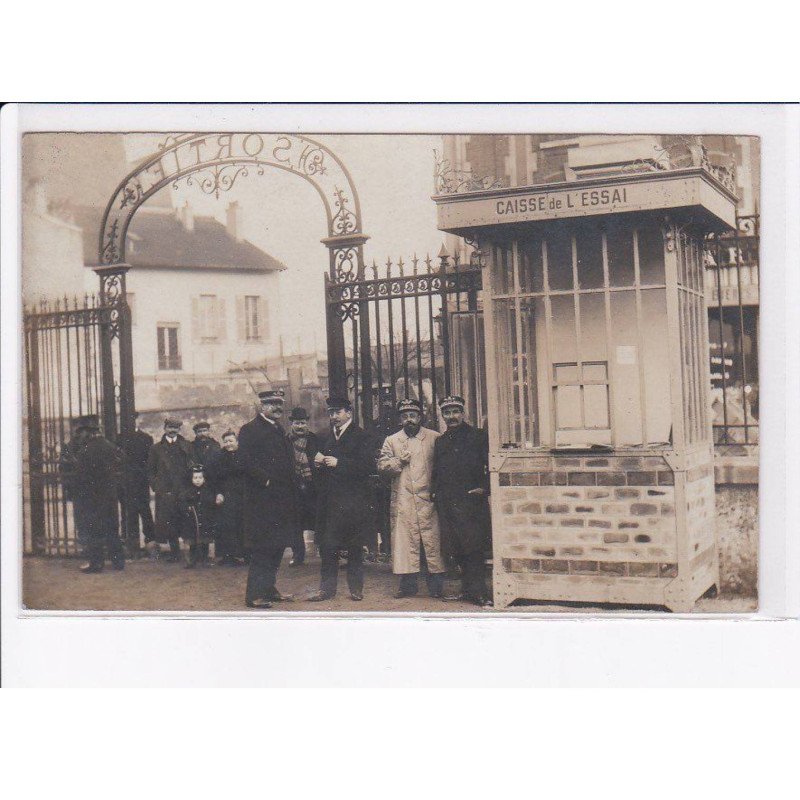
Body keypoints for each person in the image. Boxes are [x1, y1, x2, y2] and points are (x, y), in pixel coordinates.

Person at [308, 396, 375, 602]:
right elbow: (317, 471)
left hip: (352, 501)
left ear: (349, 413)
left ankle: (356, 589)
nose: (334, 416)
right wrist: (317, 465)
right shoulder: (323, 436)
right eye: (331, 412)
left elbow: (367, 467)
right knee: (328, 546)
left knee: (354, 546)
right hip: (329, 501)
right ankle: (326, 589)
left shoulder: (362, 436)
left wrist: (339, 463)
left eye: (338, 412)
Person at [378, 398, 446, 599]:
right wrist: (399, 461)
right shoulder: (392, 440)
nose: (409, 420)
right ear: (400, 419)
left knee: (432, 542)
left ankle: (436, 586)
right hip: (404, 499)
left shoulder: (434, 438)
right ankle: (408, 586)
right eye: (405, 416)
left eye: (413, 415)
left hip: (429, 499)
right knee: (406, 542)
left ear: (420, 417)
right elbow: (382, 466)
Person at [238, 389, 297, 609]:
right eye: (272, 403)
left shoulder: (278, 429)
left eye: (280, 403)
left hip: (280, 500)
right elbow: (244, 462)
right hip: (261, 501)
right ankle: (253, 595)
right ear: (261, 406)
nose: (277, 407)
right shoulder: (249, 430)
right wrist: (266, 481)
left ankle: (269, 589)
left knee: (277, 546)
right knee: (263, 548)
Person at [431, 395, 492, 607]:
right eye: (447, 413)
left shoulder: (477, 436)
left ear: (463, 413)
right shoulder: (440, 441)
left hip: (471, 500)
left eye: (455, 412)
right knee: (457, 548)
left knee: (474, 548)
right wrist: (436, 493)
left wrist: (485, 488)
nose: (451, 417)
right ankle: (467, 591)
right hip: (449, 502)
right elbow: (437, 471)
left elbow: (490, 464)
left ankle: (480, 592)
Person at [73, 415, 125, 573]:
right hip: (109, 495)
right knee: (112, 528)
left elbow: (81, 478)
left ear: (87, 433)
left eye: (81, 432)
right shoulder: (110, 446)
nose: (79, 436)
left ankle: (96, 563)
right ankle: (118, 562)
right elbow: (122, 462)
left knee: (94, 529)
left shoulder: (85, 451)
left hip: (92, 497)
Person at [147, 417, 193, 562]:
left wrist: (189, 487)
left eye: (176, 428)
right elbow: (150, 471)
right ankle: (175, 553)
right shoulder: (156, 448)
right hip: (165, 492)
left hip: (182, 490)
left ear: (179, 430)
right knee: (169, 522)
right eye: (170, 427)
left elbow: (193, 466)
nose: (172, 431)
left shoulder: (186, 446)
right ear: (165, 428)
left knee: (185, 520)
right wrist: (157, 487)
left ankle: (189, 553)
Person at [285, 407, 320, 566]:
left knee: (317, 518)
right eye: (297, 423)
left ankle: (323, 551)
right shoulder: (285, 440)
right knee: (294, 522)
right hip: (293, 485)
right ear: (291, 423)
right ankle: (298, 554)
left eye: (303, 423)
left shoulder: (314, 439)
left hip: (312, 485)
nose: (300, 426)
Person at [205, 430, 246, 566]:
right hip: (226, 495)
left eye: (231, 441)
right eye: (226, 441)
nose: (228, 444)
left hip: (242, 494)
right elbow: (213, 478)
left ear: (237, 442)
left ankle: (245, 555)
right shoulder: (219, 457)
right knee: (226, 525)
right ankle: (228, 556)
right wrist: (218, 493)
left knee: (243, 524)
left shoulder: (244, 455)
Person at [118, 412, 154, 555]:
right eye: (126, 420)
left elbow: (149, 462)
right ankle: (129, 543)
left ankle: (150, 542)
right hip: (125, 483)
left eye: (132, 419)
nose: (130, 423)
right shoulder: (119, 438)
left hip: (141, 481)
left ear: (137, 420)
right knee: (126, 512)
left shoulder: (146, 439)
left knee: (145, 511)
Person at [59, 418, 88, 547]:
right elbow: (62, 467)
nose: (77, 431)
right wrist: (67, 486)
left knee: (85, 514)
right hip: (77, 485)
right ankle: (83, 540)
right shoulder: (68, 446)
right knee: (81, 514)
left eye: (79, 428)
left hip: (84, 484)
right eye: (75, 428)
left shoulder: (86, 444)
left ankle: (87, 541)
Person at [181, 465, 216, 568]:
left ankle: (205, 560)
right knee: (192, 542)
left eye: (200, 478)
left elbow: (210, 502)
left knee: (205, 540)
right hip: (192, 520)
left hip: (205, 520)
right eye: (195, 478)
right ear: (191, 479)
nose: (198, 480)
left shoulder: (207, 490)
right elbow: (183, 502)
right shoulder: (188, 491)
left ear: (204, 479)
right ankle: (192, 561)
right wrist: (188, 507)